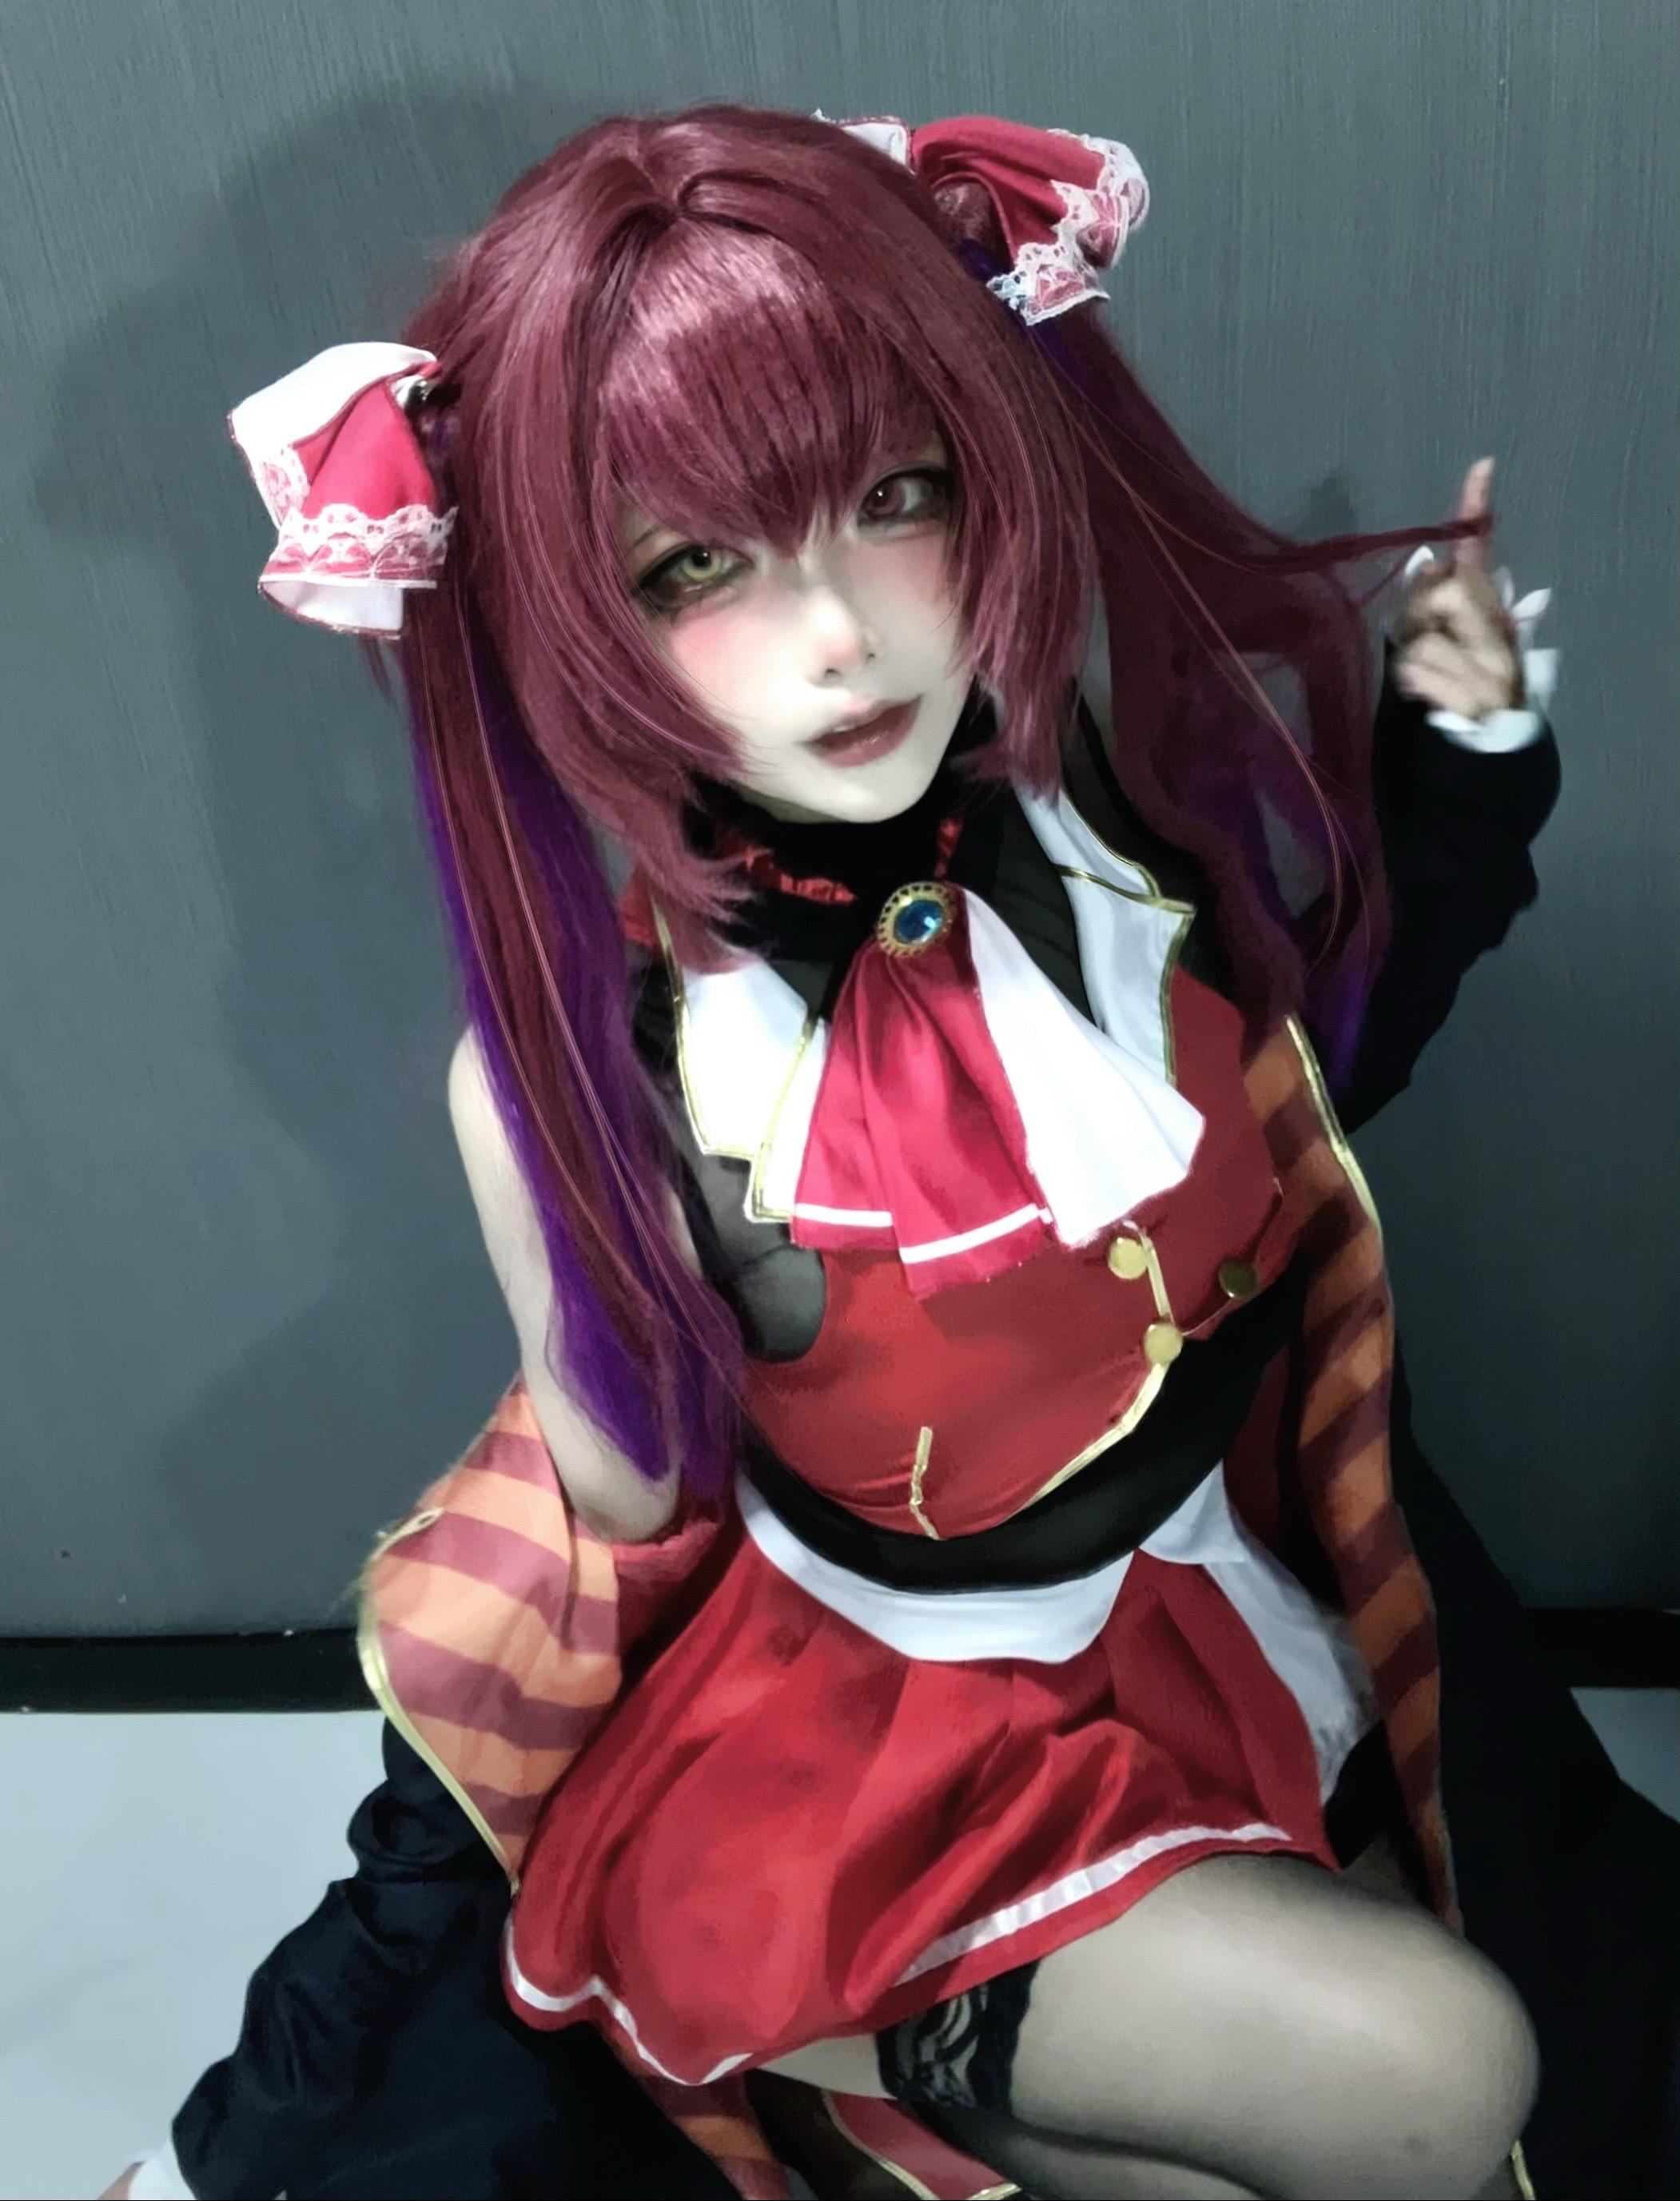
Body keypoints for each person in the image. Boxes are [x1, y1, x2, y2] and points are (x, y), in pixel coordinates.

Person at [103, 104, 1677, 2201]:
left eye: (893, 498)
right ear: (576, 616)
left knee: (1513, 2092)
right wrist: (283, 2096)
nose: (837, 631)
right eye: (698, 565)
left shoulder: (1103, 837)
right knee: (1445, 2069)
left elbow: (1308, 1091)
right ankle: (850, 2042)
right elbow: (575, 1572)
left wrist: (1460, 756)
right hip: (888, 1762)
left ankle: (933, 2114)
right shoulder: (629, 1069)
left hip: (1216, 1619)